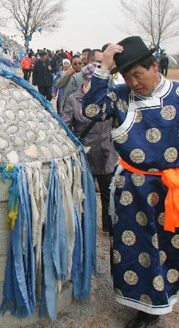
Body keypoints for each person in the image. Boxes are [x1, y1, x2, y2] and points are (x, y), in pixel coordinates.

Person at [83, 36, 179, 328]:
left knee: (172, 245)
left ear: (155, 66)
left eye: (137, 75)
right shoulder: (119, 96)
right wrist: (103, 68)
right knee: (134, 248)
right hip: (133, 188)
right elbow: (90, 111)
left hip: (173, 188)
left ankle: (163, 299)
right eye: (126, 76)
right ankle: (145, 307)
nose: (133, 82)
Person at [62, 62, 118, 233]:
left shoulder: (110, 98)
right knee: (83, 193)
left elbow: (118, 123)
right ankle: (84, 227)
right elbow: (64, 125)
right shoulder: (74, 99)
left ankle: (108, 227)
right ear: (85, 81)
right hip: (85, 154)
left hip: (106, 151)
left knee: (108, 192)